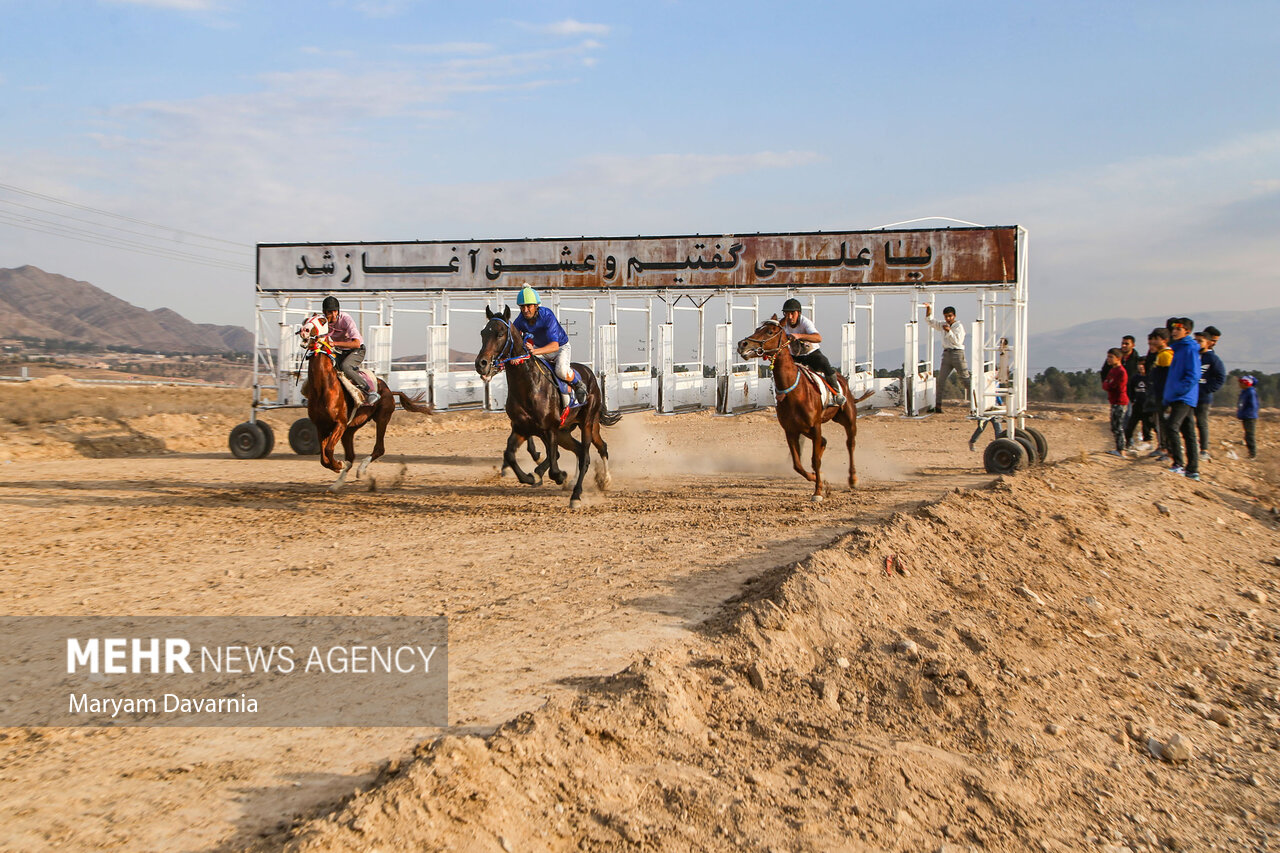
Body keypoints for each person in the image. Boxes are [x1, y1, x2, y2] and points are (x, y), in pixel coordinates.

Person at [511, 284, 588, 407]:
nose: (525, 310)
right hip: (539, 349)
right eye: (522, 307)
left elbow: (554, 346)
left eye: (529, 306)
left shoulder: (547, 315)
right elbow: (513, 338)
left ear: (536, 306)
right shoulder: (520, 320)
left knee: (561, 371)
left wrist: (534, 351)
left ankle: (578, 384)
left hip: (560, 348)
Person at [780, 297, 846, 407]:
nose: (790, 317)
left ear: (799, 313)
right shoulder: (782, 325)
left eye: (792, 313)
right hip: (795, 356)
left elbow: (818, 338)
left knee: (824, 362)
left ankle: (836, 393)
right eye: (786, 314)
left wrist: (799, 336)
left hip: (811, 354)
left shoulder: (805, 322)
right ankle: (781, 394)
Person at [321, 295, 378, 406]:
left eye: (335, 311)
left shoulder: (346, 319)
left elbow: (356, 343)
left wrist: (334, 343)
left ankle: (369, 391)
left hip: (357, 350)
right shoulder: (323, 321)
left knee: (345, 367)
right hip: (340, 351)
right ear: (324, 312)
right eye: (330, 312)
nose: (333, 315)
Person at [1162, 317, 1202, 480]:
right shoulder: (1177, 349)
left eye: (1179, 328)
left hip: (1184, 397)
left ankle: (1178, 464)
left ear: (1187, 331)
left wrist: (1179, 391)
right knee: (1188, 432)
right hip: (1177, 396)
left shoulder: (1190, 349)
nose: (1174, 331)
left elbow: (1193, 375)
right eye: (1173, 328)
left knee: (1172, 426)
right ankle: (1192, 470)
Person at [924, 303, 971, 412]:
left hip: (957, 353)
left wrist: (949, 331)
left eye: (950, 316)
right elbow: (930, 321)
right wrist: (928, 308)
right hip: (947, 353)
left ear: (954, 316)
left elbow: (957, 341)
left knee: (965, 380)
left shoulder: (958, 327)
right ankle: (938, 406)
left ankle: (976, 404)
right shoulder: (943, 324)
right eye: (946, 316)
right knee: (941, 381)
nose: (948, 318)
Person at [1193, 326, 1225, 460]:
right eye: (1213, 340)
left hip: (1203, 398)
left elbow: (1220, 378)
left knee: (1202, 423)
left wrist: (1206, 389)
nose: (1214, 343)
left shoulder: (1213, 359)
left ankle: (1204, 450)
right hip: (1188, 396)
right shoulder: (1191, 356)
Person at [1143, 328, 1172, 458]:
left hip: (1164, 394)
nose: (1153, 343)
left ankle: (1165, 448)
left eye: (1156, 340)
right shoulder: (1158, 355)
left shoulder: (1166, 356)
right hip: (1158, 393)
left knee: (1164, 422)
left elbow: (1167, 376)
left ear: (1164, 340)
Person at [1101, 347, 1130, 456]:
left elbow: (1113, 385)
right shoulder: (1112, 370)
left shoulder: (1121, 372)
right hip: (1114, 401)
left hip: (1120, 402)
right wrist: (1108, 384)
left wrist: (1108, 384)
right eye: (1108, 356)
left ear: (1118, 358)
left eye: (1111, 357)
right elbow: (1106, 384)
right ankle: (1118, 448)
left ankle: (1121, 450)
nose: (1108, 359)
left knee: (1118, 426)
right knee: (1114, 426)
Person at [1236, 375, 1259, 459]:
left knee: (1250, 435)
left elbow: (1253, 406)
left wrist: (1246, 414)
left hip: (1250, 417)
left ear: (1246, 383)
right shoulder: (1244, 391)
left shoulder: (1251, 392)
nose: (1239, 384)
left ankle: (1253, 454)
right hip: (1246, 417)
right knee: (1247, 435)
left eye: (1241, 382)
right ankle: (1250, 453)